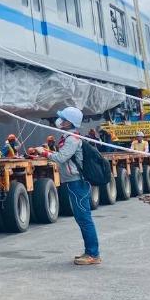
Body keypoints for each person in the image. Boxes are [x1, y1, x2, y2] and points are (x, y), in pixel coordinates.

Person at [40, 106, 101, 265]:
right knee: (82, 218)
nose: (59, 120)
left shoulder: (72, 139)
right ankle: (90, 251)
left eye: (63, 119)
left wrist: (44, 153)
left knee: (84, 218)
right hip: (73, 181)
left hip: (77, 182)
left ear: (68, 123)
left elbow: (61, 157)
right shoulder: (68, 137)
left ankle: (93, 254)